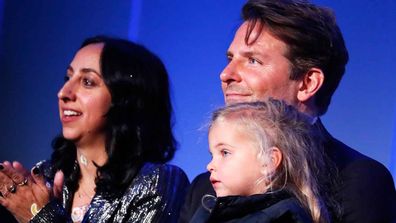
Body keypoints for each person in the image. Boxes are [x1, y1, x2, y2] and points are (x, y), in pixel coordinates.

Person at [179, 0, 396, 223]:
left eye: (253, 60)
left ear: (307, 83)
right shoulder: (204, 188)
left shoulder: (357, 179)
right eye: (230, 59)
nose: (226, 74)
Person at [0, 36, 189, 222]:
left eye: (87, 82)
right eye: (68, 77)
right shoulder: (44, 176)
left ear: (125, 101)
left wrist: (42, 215)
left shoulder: (158, 182)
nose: (63, 93)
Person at [191, 100, 330, 223]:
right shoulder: (209, 210)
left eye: (225, 153)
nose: (210, 166)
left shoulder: (284, 217)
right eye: (212, 155)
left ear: (269, 161)